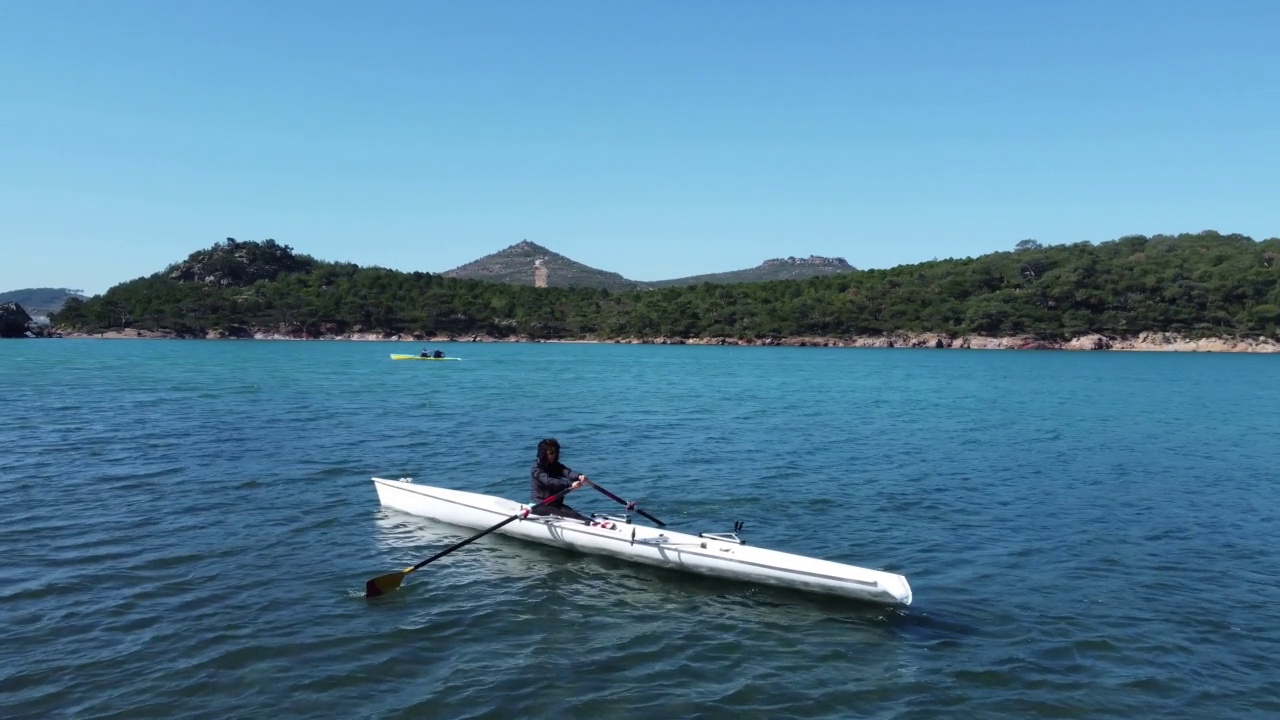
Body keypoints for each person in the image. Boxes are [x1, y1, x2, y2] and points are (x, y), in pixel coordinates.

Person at [530, 438, 592, 522]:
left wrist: (579, 476)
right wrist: (570, 484)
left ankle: (591, 522)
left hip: (555, 504)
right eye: (551, 453)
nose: (554, 455)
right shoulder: (537, 469)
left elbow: (567, 472)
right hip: (540, 505)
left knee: (575, 515)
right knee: (573, 517)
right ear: (543, 453)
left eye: (555, 452)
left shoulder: (555, 465)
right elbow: (550, 481)